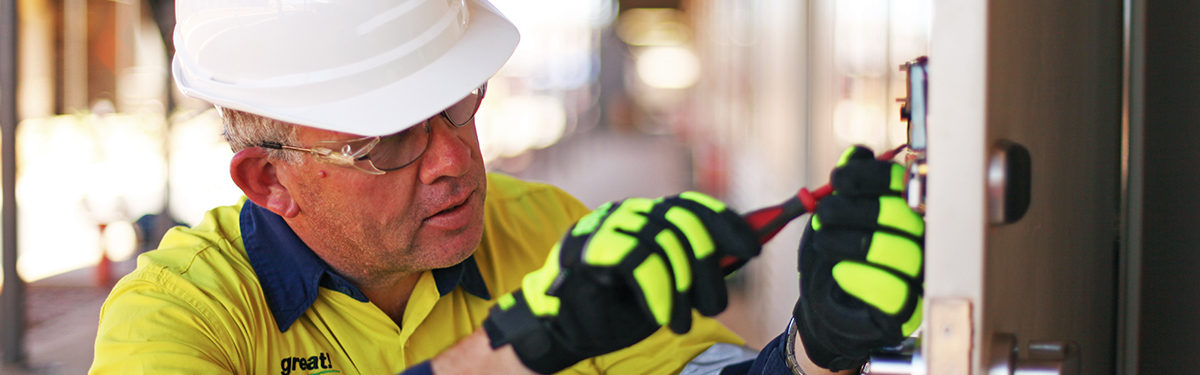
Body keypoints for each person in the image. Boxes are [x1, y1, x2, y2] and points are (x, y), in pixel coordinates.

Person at [89, 0, 924, 374]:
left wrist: (816, 350)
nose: (454, 159)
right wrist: (513, 352)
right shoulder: (177, 316)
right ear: (270, 177)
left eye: (457, 107)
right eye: (390, 141)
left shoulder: (545, 231)